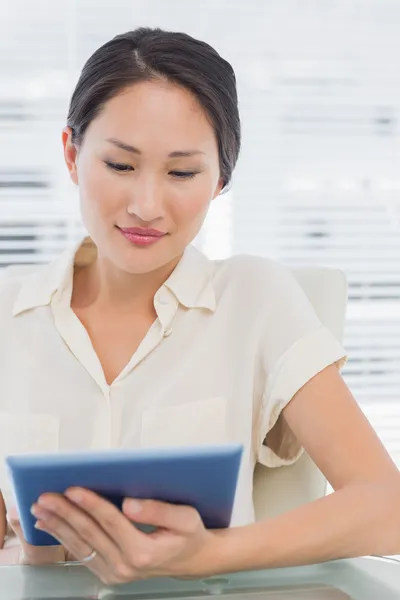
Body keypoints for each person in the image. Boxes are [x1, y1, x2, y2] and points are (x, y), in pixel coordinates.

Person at [0, 27, 399, 584]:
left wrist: (207, 555)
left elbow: (387, 506)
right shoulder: (8, 311)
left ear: (220, 180)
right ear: (71, 154)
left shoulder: (255, 299)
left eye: (182, 173)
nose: (145, 205)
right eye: (120, 165)